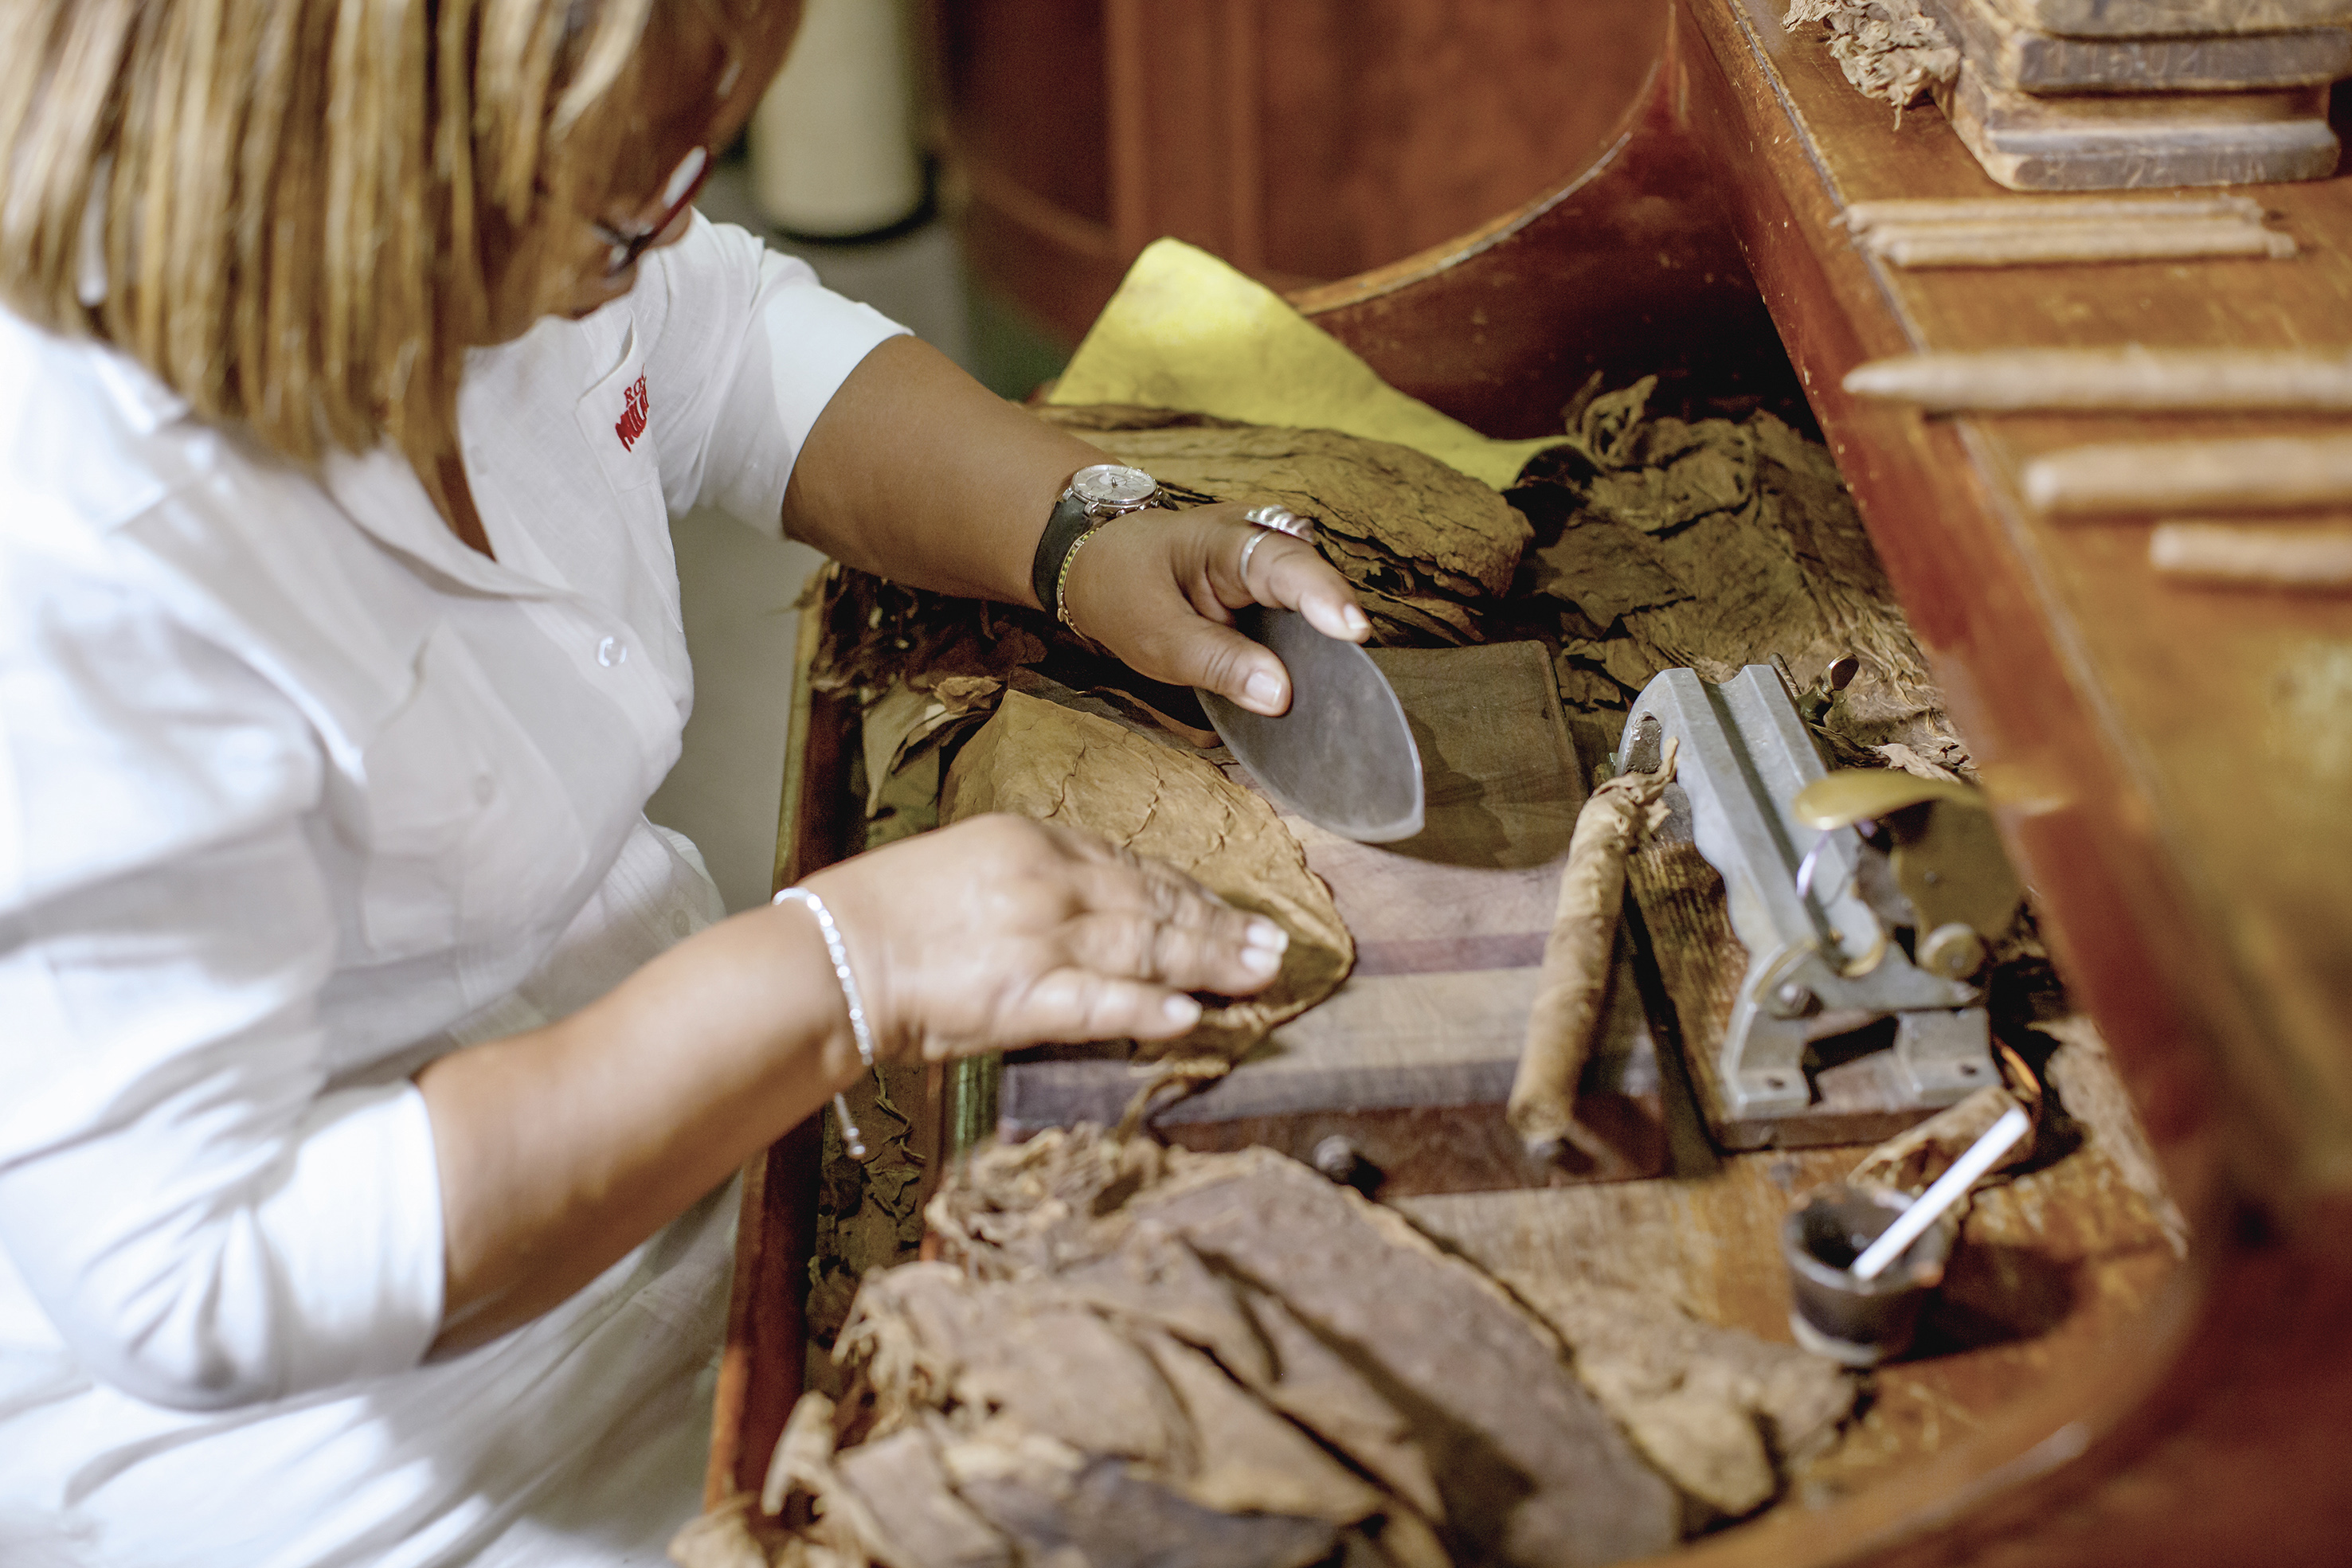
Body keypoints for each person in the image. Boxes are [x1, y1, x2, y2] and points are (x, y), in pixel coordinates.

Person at [0, 2, 1372, 1562]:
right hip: (366, 1449)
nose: (684, 193)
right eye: (616, 195)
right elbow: (208, 1270)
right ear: (374, 96)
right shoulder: (67, 544)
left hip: (693, 1161)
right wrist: (843, 968)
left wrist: (1072, 528)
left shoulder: (460, 207)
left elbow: (706, 339)